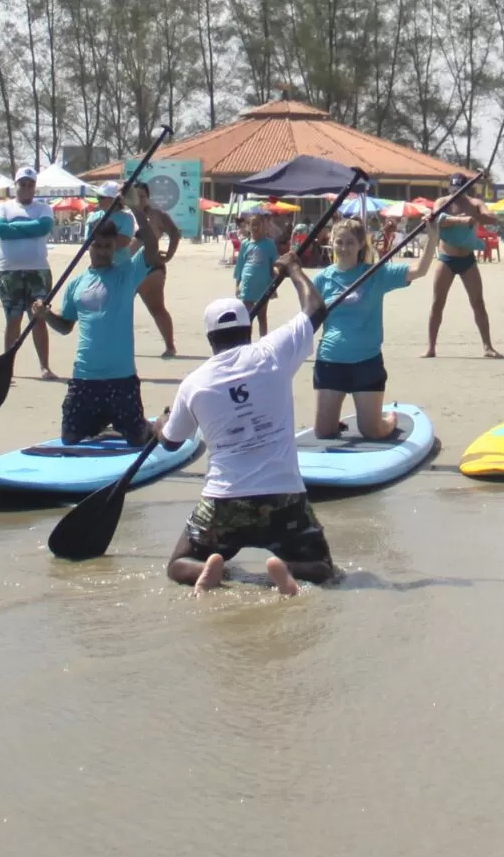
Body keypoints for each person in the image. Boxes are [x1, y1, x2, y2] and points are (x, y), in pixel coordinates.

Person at [157, 256, 336, 594]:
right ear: (249, 330)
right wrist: (294, 269)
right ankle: (284, 571)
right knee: (325, 570)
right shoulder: (272, 352)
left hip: (225, 500)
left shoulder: (194, 383)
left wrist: (159, 424)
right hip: (283, 496)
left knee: (178, 564)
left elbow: (169, 443)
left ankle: (223, 575)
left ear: (210, 337)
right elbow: (316, 310)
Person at [45, 209, 153, 444]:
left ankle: (152, 425)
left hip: (121, 378)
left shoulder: (126, 274)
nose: (103, 252)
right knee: (70, 439)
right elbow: (65, 327)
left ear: (115, 247)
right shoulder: (75, 284)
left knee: (138, 439)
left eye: (107, 246)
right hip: (85, 377)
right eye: (98, 246)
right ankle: (105, 423)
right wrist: (46, 315)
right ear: (88, 247)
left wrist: (136, 209)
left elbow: (152, 248)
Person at [309, 219, 411, 442]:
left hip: (366, 361)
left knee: (372, 432)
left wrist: (432, 236)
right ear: (332, 244)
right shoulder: (322, 279)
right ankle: (334, 419)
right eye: (339, 242)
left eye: (350, 243)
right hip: (330, 360)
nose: (344, 248)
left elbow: (419, 270)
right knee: (323, 433)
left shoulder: (375, 274)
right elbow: (308, 318)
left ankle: (389, 419)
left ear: (360, 245)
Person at [0, 165, 59, 379]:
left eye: (31, 185)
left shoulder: (43, 209)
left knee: (38, 318)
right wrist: (29, 228)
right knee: (13, 318)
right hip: (8, 272)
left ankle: (44, 366)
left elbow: (43, 228)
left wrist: (16, 229)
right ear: (15, 185)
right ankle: (7, 366)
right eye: (23, 184)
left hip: (37, 270)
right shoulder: (2, 207)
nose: (27, 188)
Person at [423, 176, 502, 358]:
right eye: (454, 189)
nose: (456, 193)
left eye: (460, 189)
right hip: (446, 259)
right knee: (437, 303)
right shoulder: (442, 202)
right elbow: (438, 219)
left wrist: (476, 216)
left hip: (467, 259)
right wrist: (461, 220)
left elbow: (492, 218)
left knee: (478, 302)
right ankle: (431, 347)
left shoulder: (475, 203)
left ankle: (488, 346)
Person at [126, 177, 184, 360]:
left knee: (157, 307)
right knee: (121, 309)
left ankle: (170, 345)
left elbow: (175, 233)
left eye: (142, 197)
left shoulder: (157, 215)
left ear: (148, 197)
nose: (139, 200)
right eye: (136, 196)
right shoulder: (124, 215)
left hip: (151, 266)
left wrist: (169, 255)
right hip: (126, 267)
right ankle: (122, 345)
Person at [232, 210, 279, 337]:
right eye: (252, 224)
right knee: (247, 318)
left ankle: (263, 343)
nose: (255, 227)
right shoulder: (245, 244)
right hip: (247, 285)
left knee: (262, 317)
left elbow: (274, 265)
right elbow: (240, 266)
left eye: (258, 224)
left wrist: (274, 285)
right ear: (248, 227)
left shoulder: (269, 244)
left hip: (263, 286)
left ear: (264, 226)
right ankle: (247, 344)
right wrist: (237, 285)